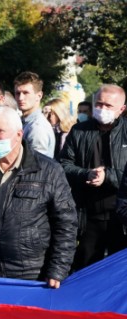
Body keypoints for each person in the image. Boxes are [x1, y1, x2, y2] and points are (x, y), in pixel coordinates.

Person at [0, 105, 77, 288]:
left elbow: (66, 224)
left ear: (19, 134)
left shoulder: (48, 171)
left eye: (0, 131)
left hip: (31, 276)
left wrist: (57, 270)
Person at [59, 84, 127, 271]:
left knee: (118, 275)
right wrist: (85, 174)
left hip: (120, 217)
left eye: (108, 106)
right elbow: (63, 165)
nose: (102, 109)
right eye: (99, 104)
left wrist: (108, 176)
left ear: (121, 109)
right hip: (87, 216)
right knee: (86, 270)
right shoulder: (79, 131)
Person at [13, 71, 55, 158]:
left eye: (26, 93)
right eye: (17, 93)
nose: (20, 98)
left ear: (39, 96)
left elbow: (36, 165)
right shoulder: (25, 122)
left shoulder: (37, 127)